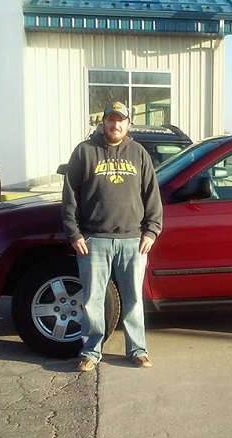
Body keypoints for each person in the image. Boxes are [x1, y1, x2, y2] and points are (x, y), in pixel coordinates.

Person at [61, 101, 163, 372]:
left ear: (128, 124)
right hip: (94, 240)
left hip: (133, 240)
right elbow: (69, 196)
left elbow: (152, 195)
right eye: (110, 119)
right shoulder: (84, 152)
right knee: (93, 300)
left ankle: (138, 350)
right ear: (103, 122)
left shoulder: (138, 153)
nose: (115, 124)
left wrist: (151, 230)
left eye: (120, 120)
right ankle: (90, 351)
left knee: (133, 300)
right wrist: (74, 233)